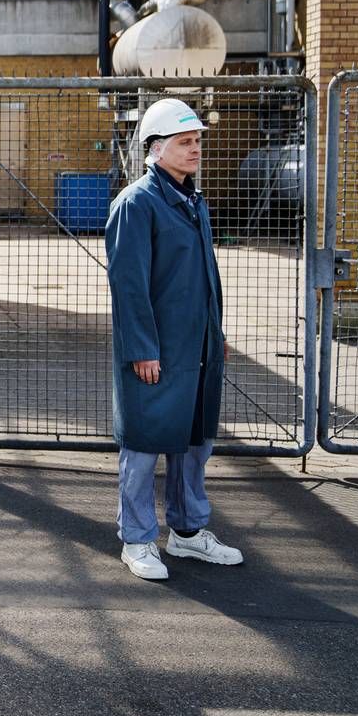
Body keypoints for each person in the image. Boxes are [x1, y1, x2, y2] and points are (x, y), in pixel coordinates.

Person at [104, 96, 244, 581]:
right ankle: (138, 540)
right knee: (144, 446)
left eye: (198, 141)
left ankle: (186, 535)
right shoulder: (137, 204)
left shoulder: (192, 201)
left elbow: (206, 277)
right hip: (156, 351)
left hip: (196, 348)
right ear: (156, 148)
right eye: (186, 142)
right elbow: (129, 284)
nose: (196, 149)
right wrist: (142, 348)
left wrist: (215, 333)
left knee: (193, 442)